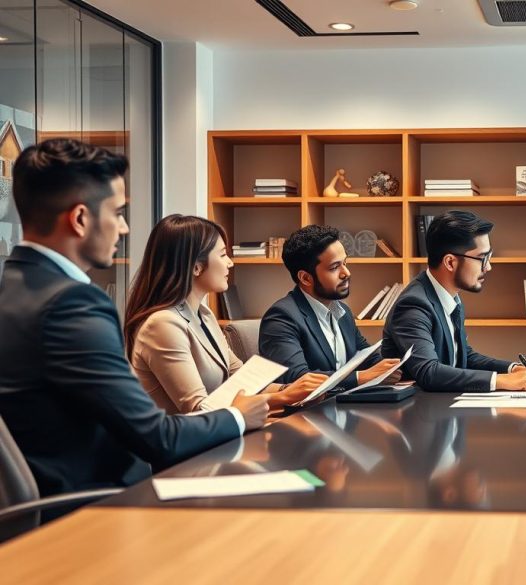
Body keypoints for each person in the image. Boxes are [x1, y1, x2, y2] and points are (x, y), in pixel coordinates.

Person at [0, 139, 269, 500]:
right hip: (100, 503)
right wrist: (238, 416)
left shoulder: (12, 289)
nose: (124, 228)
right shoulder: (72, 305)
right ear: (80, 219)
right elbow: (158, 438)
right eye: (117, 213)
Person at [124, 215, 326, 414]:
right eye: (222, 255)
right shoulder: (162, 324)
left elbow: (240, 379)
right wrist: (284, 397)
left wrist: (291, 389)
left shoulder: (204, 315)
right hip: (189, 434)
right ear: (196, 267)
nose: (230, 263)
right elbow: (198, 408)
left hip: (219, 430)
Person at [382, 210, 526, 392]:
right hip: (419, 408)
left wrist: (513, 370)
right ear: (450, 262)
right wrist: (502, 381)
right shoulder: (413, 305)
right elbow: (429, 372)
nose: (488, 267)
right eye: (482, 258)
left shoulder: (449, 297)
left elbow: (463, 356)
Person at [259, 225, 400, 388]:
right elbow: (298, 379)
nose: (346, 273)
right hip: (313, 405)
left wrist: (396, 367)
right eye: (334, 267)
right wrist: (360, 378)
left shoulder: (343, 312)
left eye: (345, 263)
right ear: (305, 278)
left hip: (348, 402)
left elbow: (367, 357)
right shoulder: (281, 318)